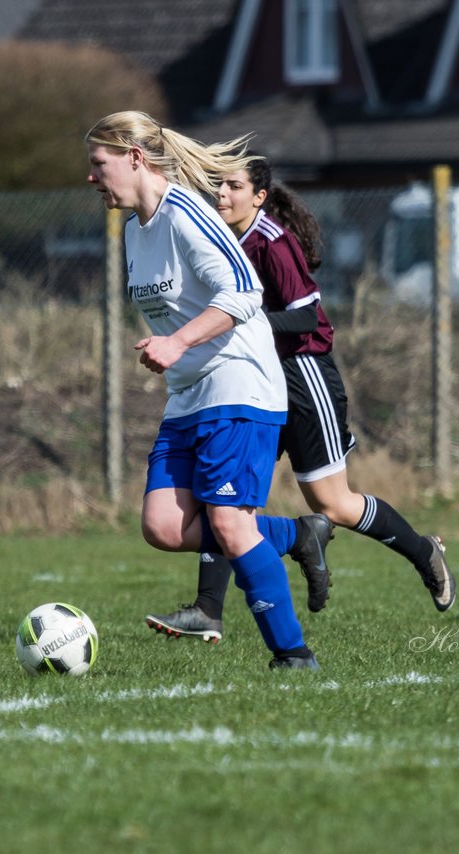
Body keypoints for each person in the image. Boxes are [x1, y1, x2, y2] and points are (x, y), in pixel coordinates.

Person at [144, 157, 455, 644]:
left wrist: (241, 322)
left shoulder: (271, 240)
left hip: (301, 375)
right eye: (217, 186)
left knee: (333, 503)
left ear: (259, 197)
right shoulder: (217, 240)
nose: (221, 195)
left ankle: (424, 552)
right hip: (247, 380)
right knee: (221, 497)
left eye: (233, 186)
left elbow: (307, 319)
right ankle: (208, 609)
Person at [85, 111, 332, 670]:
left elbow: (245, 291)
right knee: (164, 526)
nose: (92, 178)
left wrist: (175, 343)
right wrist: (173, 351)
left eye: (99, 165)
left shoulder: (185, 213)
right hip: (190, 394)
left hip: (239, 384)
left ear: (135, 158)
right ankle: (297, 535)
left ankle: (292, 655)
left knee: (225, 522)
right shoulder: (134, 231)